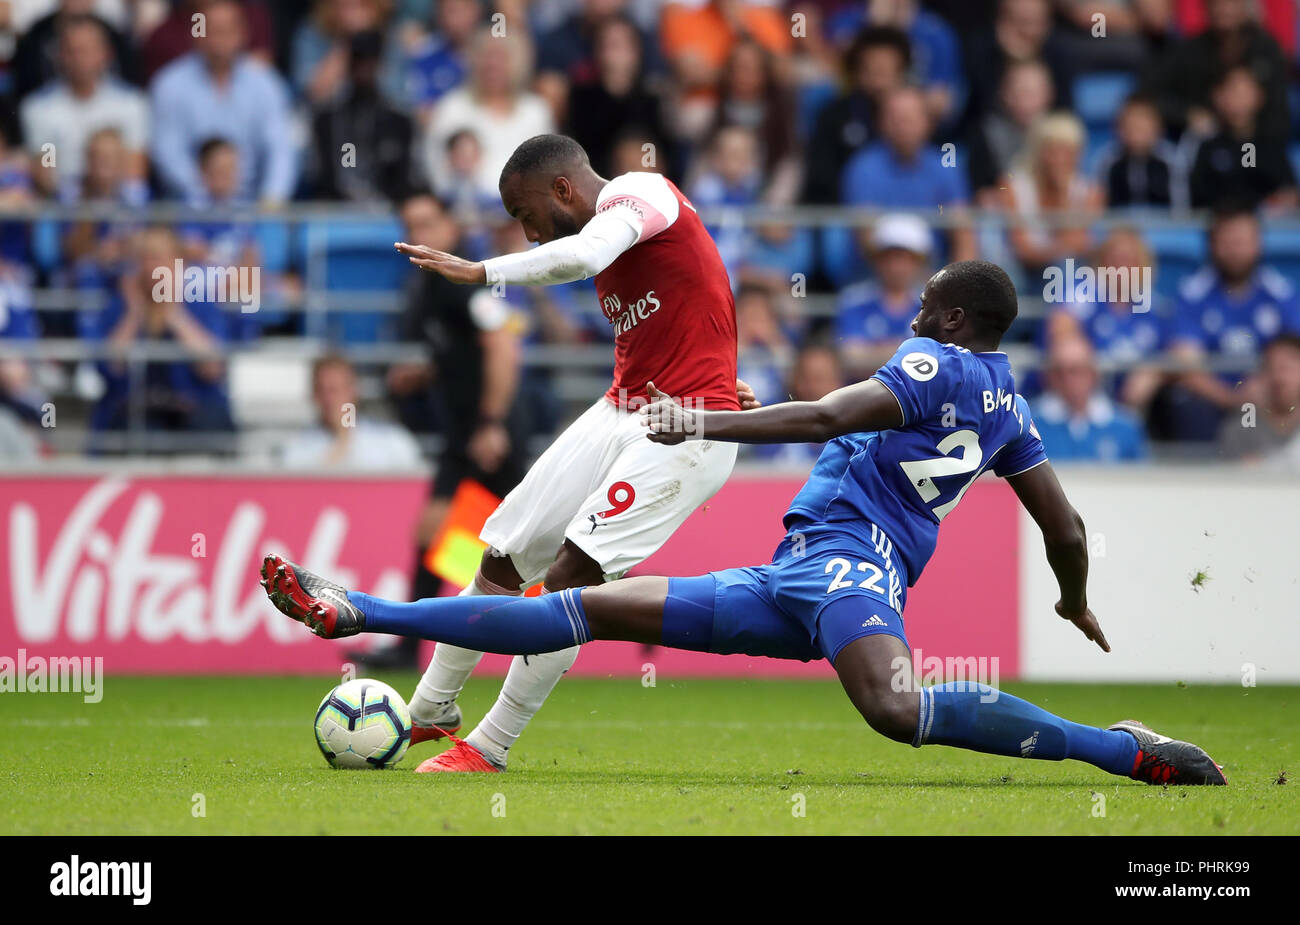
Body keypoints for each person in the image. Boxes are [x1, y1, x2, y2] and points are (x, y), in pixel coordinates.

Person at [262, 260, 1226, 787]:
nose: (914, 311)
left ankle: (1118, 748)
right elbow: (1062, 522)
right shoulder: (1008, 406)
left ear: (961, 320)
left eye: (930, 302)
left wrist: (701, 417)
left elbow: (821, 418)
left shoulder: (935, 363)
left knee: (897, 712)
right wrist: (1073, 600)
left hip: (855, 571)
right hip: (789, 573)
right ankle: (357, 612)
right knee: (582, 605)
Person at [385, 134, 758, 773]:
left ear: (562, 189)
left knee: (569, 581)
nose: (529, 236)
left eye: (527, 216)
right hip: (623, 407)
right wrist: (719, 366)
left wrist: (482, 271)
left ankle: (489, 747)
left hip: (684, 432)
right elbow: (685, 304)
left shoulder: (641, 192)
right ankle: (429, 710)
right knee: (504, 555)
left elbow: (584, 255)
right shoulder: (620, 238)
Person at [283, 354, 422, 470]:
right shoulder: (299, 446)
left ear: (353, 391)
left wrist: (346, 430)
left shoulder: (392, 440)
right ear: (314, 395)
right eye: (322, 390)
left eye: (335, 390)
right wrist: (341, 440)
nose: (328, 399)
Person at [1032, 337, 1148, 463]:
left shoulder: (1125, 427)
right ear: (1049, 377)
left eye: (1075, 371)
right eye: (1059, 372)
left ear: (1093, 373)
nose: (1067, 380)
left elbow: (1141, 478)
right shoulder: (1029, 425)